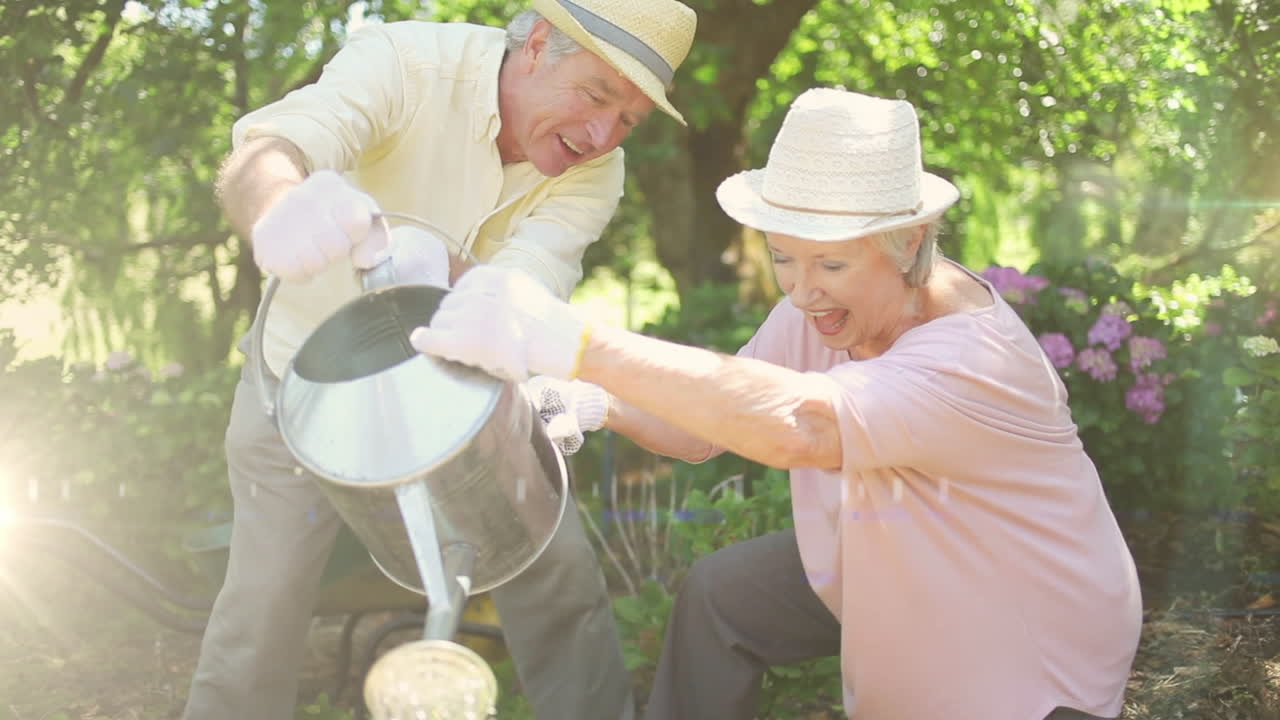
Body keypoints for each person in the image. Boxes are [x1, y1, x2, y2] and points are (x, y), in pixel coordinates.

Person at [410, 88, 1144, 720]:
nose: (800, 289)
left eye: (828, 262)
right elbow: (707, 425)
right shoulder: (824, 308)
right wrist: (591, 400)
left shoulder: (973, 358)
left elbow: (800, 425)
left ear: (909, 241)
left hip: (1023, 641)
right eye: (783, 256)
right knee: (722, 595)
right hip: (891, 555)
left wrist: (571, 340)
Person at [184, 2, 697, 719]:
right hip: (305, 390)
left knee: (558, 578)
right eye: (596, 95)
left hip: (466, 392)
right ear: (539, 43)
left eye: (630, 120)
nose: (602, 135)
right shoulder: (405, 63)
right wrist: (280, 207)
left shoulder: (595, 173)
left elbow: (522, 293)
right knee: (262, 609)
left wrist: (438, 269)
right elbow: (271, 149)